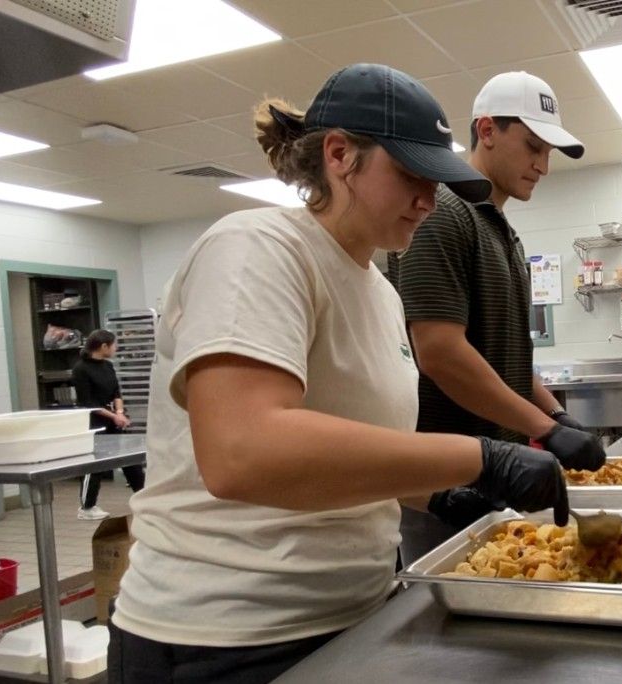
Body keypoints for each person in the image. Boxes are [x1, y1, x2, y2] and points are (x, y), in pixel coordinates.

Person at [107, 64, 569, 684]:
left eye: (438, 182)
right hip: (225, 637)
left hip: (355, 615)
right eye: (411, 175)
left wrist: (438, 495)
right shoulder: (258, 248)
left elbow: (343, 449)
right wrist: (479, 457)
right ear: (339, 155)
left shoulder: (381, 293)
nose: (429, 201)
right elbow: (243, 452)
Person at [389, 71, 605, 564]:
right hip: (446, 490)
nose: (543, 166)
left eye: (549, 152)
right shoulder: (441, 214)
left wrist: (556, 414)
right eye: (533, 146)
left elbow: (503, 358)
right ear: (486, 130)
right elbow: (441, 353)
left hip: (499, 475)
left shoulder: (501, 232)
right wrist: (547, 432)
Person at [71, 329, 145, 520]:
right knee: (95, 464)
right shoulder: (81, 369)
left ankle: (143, 498)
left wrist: (119, 413)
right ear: (103, 346)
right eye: (114, 344)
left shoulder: (108, 366)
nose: (116, 348)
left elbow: (116, 393)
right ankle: (87, 507)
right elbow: (88, 403)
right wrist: (113, 416)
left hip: (113, 418)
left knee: (129, 460)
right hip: (95, 421)